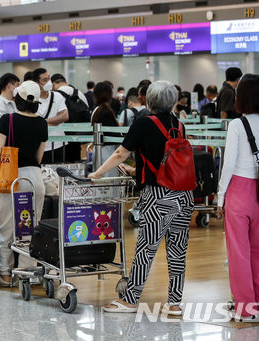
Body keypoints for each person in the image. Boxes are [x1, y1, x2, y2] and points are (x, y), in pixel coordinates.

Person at [90, 80, 194, 316]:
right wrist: (138, 171)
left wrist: (97, 173)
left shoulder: (143, 123)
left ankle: (130, 299)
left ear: (149, 99)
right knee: (178, 251)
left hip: (158, 197)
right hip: (184, 196)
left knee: (145, 250)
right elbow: (169, 162)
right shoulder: (179, 125)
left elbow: (120, 153)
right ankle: (175, 303)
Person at [216, 74, 259, 322]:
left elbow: (229, 164)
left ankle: (246, 308)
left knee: (239, 253)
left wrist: (220, 197)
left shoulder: (237, 125)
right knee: (258, 252)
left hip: (238, 191)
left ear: (241, 96)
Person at [0, 80, 48, 287]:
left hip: (11, 178)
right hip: (34, 178)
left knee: (6, 227)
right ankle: (27, 273)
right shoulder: (42, 123)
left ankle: (5, 274)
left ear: (18, 100)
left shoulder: (8, 120)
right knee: (30, 227)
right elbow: (39, 156)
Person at [32, 68, 69, 164]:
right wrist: (55, 121)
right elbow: (33, 122)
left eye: (49, 78)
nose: (49, 82)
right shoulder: (32, 100)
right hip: (40, 146)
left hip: (59, 143)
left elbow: (64, 116)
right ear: (36, 83)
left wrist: (44, 122)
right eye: (45, 80)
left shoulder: (57, 96)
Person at [51, 73, 90, 162]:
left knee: (63, 162)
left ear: (53, 84)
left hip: (62, 136)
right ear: (65, 81)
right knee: (76, 160)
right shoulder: (79, 93)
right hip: (79, 134)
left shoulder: (56, 95)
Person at [90, 82, 120, 177]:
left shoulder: (96, 110)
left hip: (99, 149)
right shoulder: (106, 112)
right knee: (109, 183)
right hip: (108, 151)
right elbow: (113, 133)